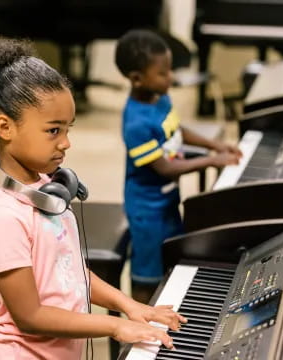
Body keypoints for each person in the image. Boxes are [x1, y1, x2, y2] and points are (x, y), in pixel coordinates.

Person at [0, 34, 186, 360]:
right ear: (5, 127)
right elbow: (30, 316)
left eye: (69, 129)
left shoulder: (46, 191)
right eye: (54, 130)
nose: (66, 143)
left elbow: (70, 273)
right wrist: (113, 327)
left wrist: (129, 305)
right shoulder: (5, 221)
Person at [114, 29, 242, 304]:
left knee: (172, 255)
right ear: (137, 78)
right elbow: (164, 169)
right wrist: (211, 160)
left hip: (168, 201)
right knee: (146, 274)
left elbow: (176, 130)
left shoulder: (161, 99)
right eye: (163, 73)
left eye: (170, 70)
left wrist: (214, 145)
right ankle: (139, 319)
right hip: (147, 211)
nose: (170, 78)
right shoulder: (136, 123)